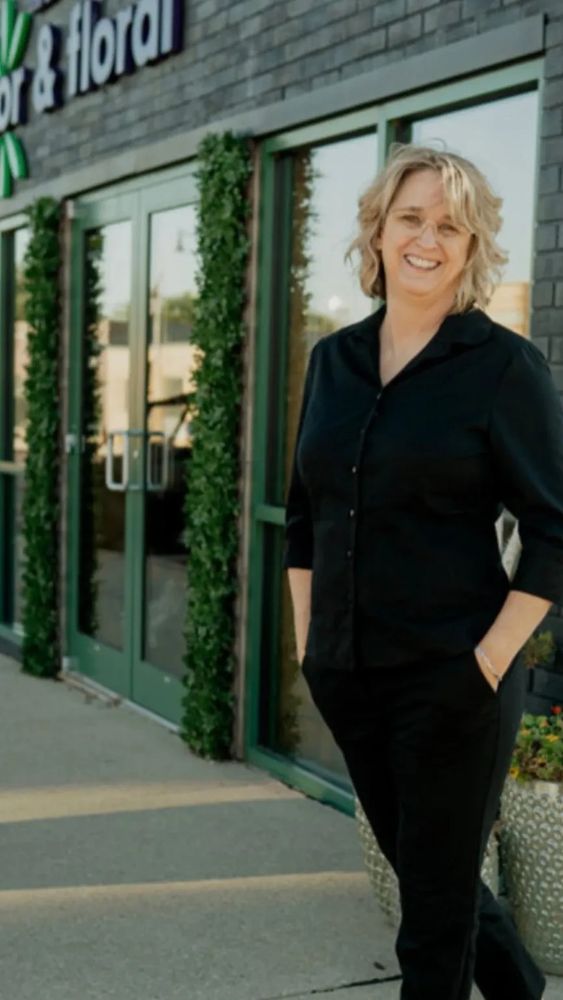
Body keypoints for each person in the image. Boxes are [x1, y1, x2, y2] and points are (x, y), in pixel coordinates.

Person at [283, 144, 563, 1000]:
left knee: (429, 931)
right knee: (436, 884)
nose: (426, 238)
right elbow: (305, 513)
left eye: (449, 224)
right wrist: (308, 645)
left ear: (472, 246)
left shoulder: (501, 367)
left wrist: (484, 663)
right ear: (375, 231)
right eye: (410, 218)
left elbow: (555, 528)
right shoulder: (333, 361)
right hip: (349, 672)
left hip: (452, 679)